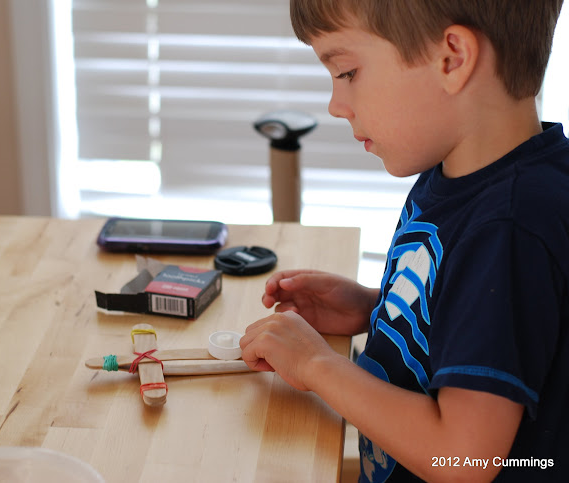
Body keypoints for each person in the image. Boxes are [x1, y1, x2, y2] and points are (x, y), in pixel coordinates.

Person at [239, 1, 568, 481]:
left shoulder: (509, 228)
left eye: (347, 72)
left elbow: (465, 457)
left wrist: (316, 365)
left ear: (452, 59)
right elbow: (480, 324)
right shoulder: (461, 173)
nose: (336, 104)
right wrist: (376, 308)